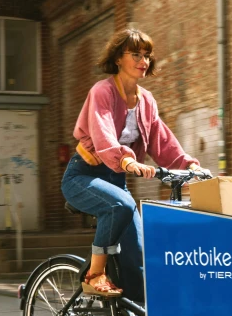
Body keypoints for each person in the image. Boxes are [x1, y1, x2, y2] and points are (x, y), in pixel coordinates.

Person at [62, 28, 203, 299]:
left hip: (115, 179)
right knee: (122, 205)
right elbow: (102, 133)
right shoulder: (102, 92)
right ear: (118, 59)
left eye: (147, 55)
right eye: (136, 54)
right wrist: (125, 159)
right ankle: (95, 275)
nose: (144, 61)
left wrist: (189, 165)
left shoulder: (146, 100)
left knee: (137, 255)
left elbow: (161, 139)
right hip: (84, 176)